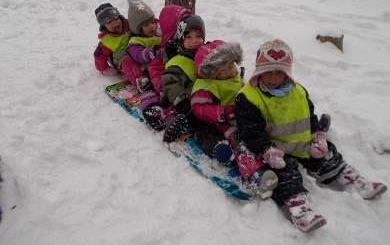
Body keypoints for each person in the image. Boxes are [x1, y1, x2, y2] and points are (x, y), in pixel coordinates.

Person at [235, 39, 387, 232]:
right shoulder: (249, 97)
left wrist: (317, 136)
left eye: (279, 73)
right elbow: (250, 130)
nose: (273, 78)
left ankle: (353, 179)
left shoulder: (298, 91)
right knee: (286, 175)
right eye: (268, 73)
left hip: (302, 143)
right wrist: (266, 150)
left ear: (287, 73)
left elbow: (309, 115)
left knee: (327, 154)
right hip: (276, 150)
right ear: (259, 72)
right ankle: (299, 209)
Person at [190, 40, 278, 196]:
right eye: (226, 68)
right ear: (213, 72)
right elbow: (199, 109)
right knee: (240, 143)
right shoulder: (206, 86)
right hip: (225, 123)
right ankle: (255, 173)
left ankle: (275, 149)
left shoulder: (235, 76)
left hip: (243, 115)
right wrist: (223, 112)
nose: (232, 70)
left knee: (261, 129)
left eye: (232, 65)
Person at [161, 14, 206, 143]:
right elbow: (170, 82)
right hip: (189, 103)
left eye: (198, 36)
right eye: (189, 37)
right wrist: (182, 102)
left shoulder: (208, 54)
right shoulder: (178, 62)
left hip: (210, 97)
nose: (194, 41)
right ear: (181, 40)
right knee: (201, 126)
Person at [126, 0, 165, 131]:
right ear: (138, 28)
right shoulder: (135, 42)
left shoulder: (159, 33)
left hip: (164, 65)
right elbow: (138, 56)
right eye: (147, 25)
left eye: (153, 22)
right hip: (147, 71)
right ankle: (151, 109)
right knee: (151, 89)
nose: (152, 26)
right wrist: (153, 51)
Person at [93, 3, 145, 86]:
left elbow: (144, 23)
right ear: (104, 26)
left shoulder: (130, 25)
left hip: (138, 52)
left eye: (116, 19)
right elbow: (98, 56)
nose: (115, 23)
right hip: (122, 60)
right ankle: (141, 82)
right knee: (128, 62)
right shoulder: (106, 41)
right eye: (109, 22)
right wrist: (105, 69)